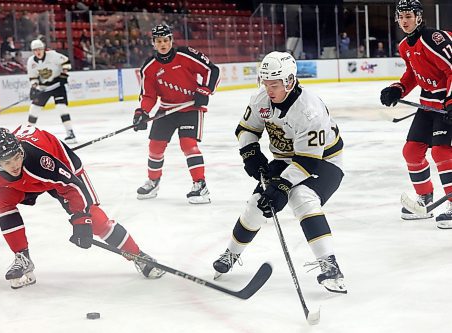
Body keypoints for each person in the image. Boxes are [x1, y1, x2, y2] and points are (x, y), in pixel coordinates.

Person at [0, 125, 165, 289]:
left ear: (20, 150)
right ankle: (22, 257)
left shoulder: (38, 160)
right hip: (24, 182)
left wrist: (82, 220)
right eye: (7, 162)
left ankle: (139, 256)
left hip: (62, 170)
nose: (14, 165)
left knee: (96, 220)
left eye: (16, 157)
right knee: (0, 199)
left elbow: (73, 186)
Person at [212, 51, 347, 294]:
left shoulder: (309, 111)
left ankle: (331, 267)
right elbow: (246, 129)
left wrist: (281, 186)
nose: (269, 89)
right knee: (257, 203)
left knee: (302, 198)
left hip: (324, 161)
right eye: (265, 83)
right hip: (286, 159)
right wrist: (250, 153)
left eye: (274, 84)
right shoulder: (261, 99)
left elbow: (308, 162)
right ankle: (231, 253)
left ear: (290, 81)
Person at [379, 0, 452, 227]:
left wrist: (451, 100)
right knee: (411, 152)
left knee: (441, 152)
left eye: (408, 16)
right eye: (400, 17)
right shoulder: (404, 46)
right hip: (426, 106)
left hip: (444, 104)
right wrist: (398, 88)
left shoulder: (432, 39)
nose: (404, 21)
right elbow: (412, 74)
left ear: (419, 17)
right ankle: (425, 198)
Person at [133, 24, 220, 204]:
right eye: (159, 41)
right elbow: (149, 95)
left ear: (171, 41)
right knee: (155, 147)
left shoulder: (186, 54)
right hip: (166, 109)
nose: (163, 44)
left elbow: (212, 70)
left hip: (190, 108)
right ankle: (153, 181)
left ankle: (200, 185)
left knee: (188, 144)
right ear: (154, 44)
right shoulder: (149, 67)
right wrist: (142, 112)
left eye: (166, 40)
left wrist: (204, 91)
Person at [27, 39, 78, 144]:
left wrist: (64, 75)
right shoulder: (31, 61)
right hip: (43, 88)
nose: (38, 52)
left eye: (40, 49)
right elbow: (33, 77)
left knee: (61, 108)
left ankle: (70, 133)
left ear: (43, 49)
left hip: (57, 86)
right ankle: (27, 133)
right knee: (34, 109)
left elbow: (66, 62)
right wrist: (34, 87)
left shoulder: (53, 55)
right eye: (35, 50)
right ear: (33, 51)